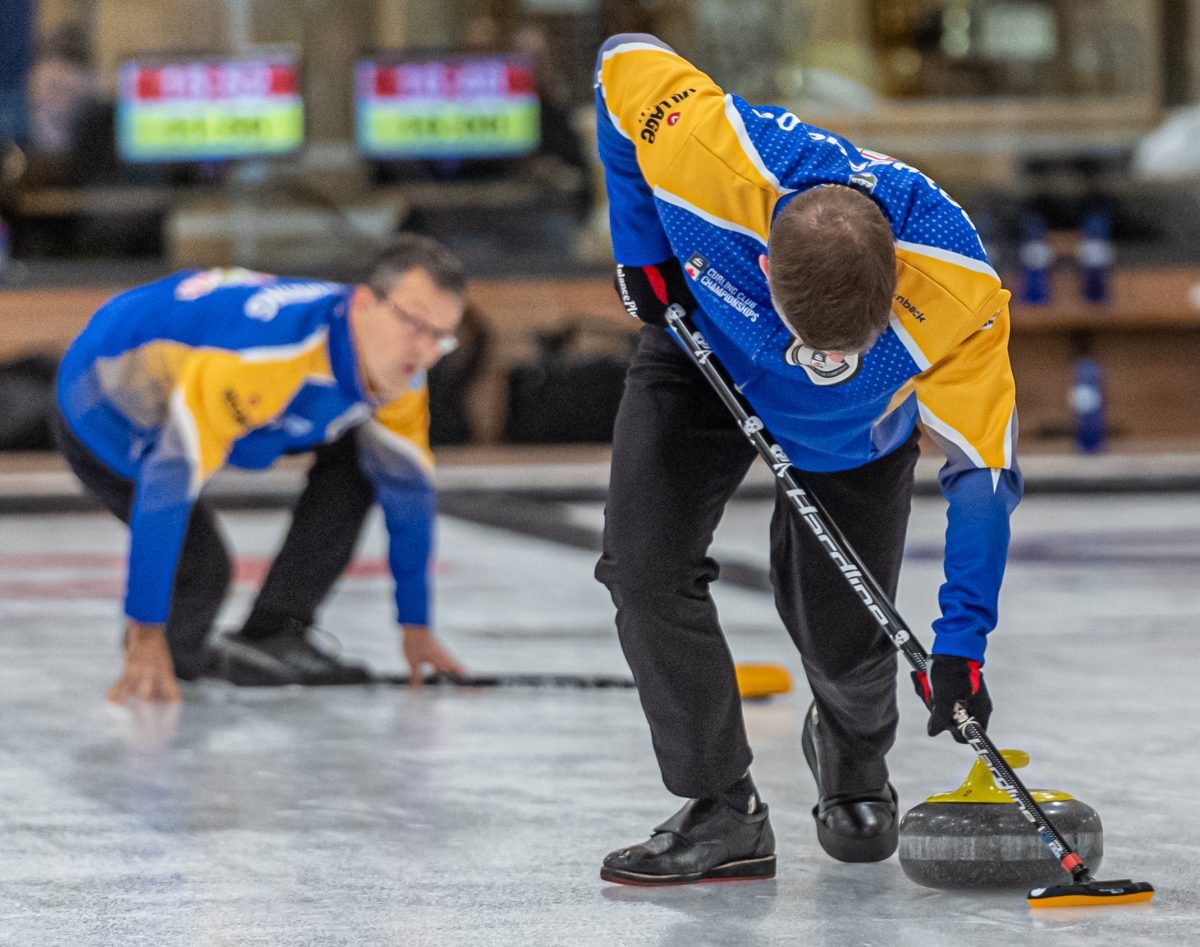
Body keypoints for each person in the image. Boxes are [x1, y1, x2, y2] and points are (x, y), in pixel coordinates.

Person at [593, 34, 1021, 885]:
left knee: (844, 642)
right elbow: (618, 63)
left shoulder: (959, 297)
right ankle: (723, 808)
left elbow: (982, 477)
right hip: (700, 350)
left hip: (852, 432)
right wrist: (639, 244)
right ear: (764, 262)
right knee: (643, 568)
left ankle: (853, 745)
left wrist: (962, 643)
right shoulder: (707, 149)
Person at [54, 235, 469, 703]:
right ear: (364, 303)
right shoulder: (259, 358)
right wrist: (147, 633)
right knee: (204, 573)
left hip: (235, 391)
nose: (426, 352)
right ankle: (174, 649)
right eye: (415, 324)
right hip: (105, 405)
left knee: (371, 463)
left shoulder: (401, 371)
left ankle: (274, 629)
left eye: (441, 336)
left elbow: (409, 495)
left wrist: (416, 626)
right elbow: (166, 485)